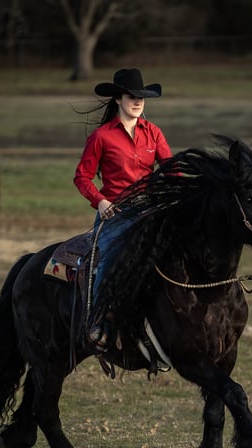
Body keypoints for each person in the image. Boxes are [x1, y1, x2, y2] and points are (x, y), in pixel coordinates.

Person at [74, 68, 172, 352]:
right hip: (115, 213)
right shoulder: (101, 137)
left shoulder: (153, 133)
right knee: (109, 259)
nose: (138, 102)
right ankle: (99, 322)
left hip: (150, 210)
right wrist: (100, 201)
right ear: (118, 99)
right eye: (132, 97)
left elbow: (170, 169)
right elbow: (82, 176)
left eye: (142, 97)